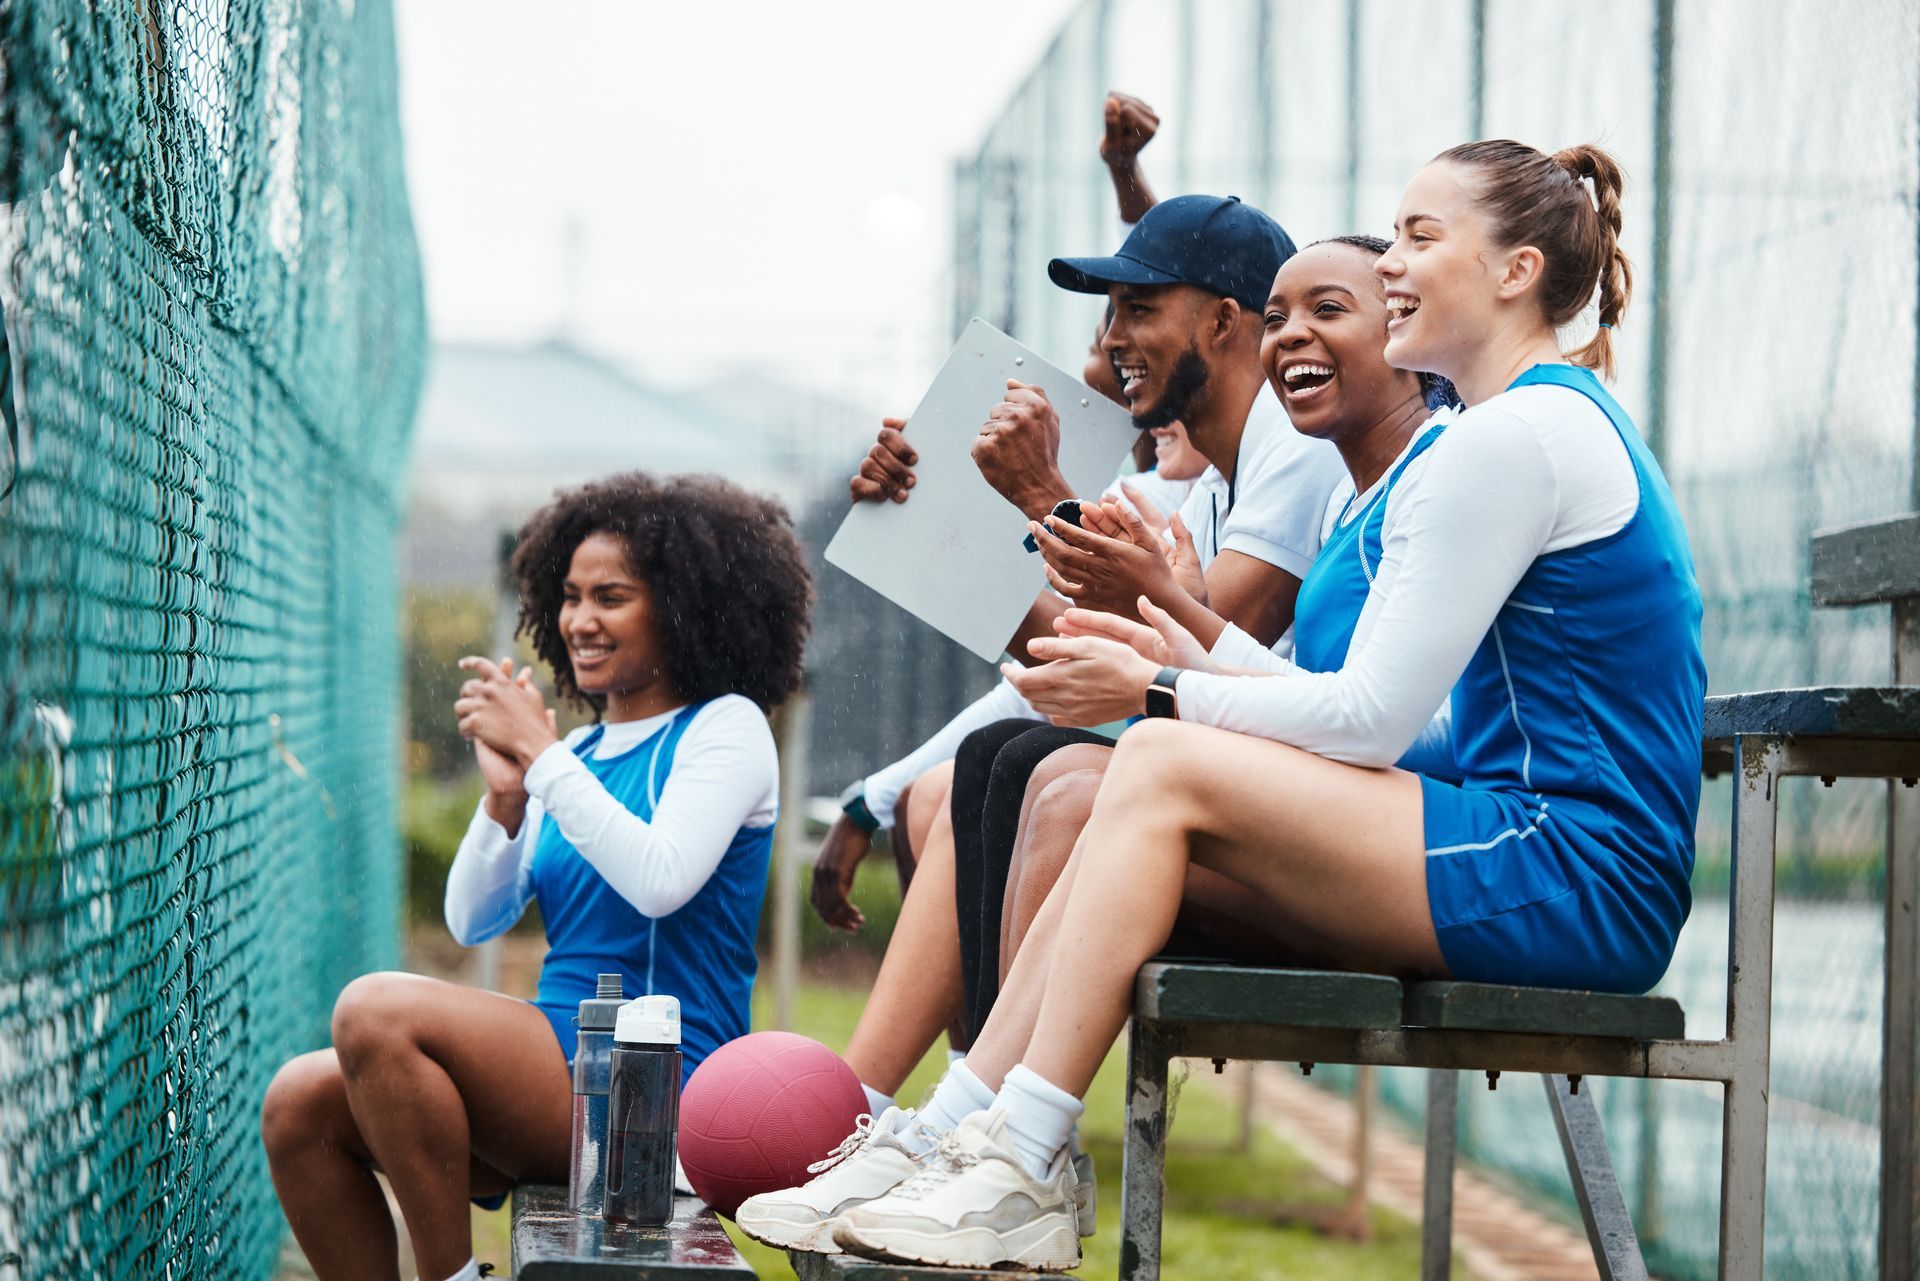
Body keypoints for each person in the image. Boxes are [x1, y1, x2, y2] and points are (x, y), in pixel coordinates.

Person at [824, 139, 1705, 1273]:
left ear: (1516, 270)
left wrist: (1155, 686)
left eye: (1421, 238)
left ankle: (1020, 1155)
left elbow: (1370, 722)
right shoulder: (1516, 429)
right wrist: (1166, 631)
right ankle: (966, 1135)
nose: (1395, 260)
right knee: (1118, 772)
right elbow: (1364, 709)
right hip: (1522, 841)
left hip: (1571, 875)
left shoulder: (1512, 439)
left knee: (1153, 759)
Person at [738, 196, 1352, 1256]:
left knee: (1055, 778)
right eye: (1107, 314)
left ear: (1223, 322)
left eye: (1136, 308)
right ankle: (917, 1130)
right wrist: (939, 511)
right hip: (1254, 792)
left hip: (1321, 827)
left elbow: (1181, 654)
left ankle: (979, 1139)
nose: (1111, 340)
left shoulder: (1294, 456)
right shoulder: (1208, 483)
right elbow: (1076, 649)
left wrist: (1034, 502)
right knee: (987, 767)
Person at [260, 473, 813, 1281]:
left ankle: (452, 1276)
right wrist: (508, 796)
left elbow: (661, 879)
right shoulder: (579, 761)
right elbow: (471, 920)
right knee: (298, 1100)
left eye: (611, 597)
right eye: (569, 595)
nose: (579, 620)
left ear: (682, 606)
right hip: (559, 1066)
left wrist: (545, 760)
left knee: (373, 1008)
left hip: (659, 1086)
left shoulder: (724, 729)